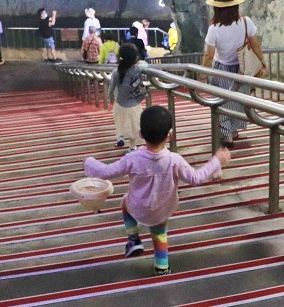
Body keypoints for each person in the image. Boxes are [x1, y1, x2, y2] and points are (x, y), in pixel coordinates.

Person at [84, 105, 230, 276]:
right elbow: (196, 178)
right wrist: (217, 160)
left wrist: (89, 162)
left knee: (124, 202)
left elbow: (105, 172)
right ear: (170, 135)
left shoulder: (132, 158)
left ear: (140, 134)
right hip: (162, 209)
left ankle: (133, 239)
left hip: (137, 208)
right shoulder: (175, 160)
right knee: (160, 233)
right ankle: (162, 267)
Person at [201, 0, 266, 149]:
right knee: (238, 101)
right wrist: (262, 62)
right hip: (242, 68)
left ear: (216, 8)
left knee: (221, 102)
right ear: (235, 5)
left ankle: (227, 135)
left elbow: (209, 55)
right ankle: (235, 129)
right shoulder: (245, 22)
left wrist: (202, 73)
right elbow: (255, 45)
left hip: (221, 69)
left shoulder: (214, 29)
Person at [107, 43, 147, 150]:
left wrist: (110, 98)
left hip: (119, 104)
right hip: (134, 105)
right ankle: (132, 148)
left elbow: (111, 88)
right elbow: (145, 65)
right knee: (134, 127)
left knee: (120, 122)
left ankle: (120, 138)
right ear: (135, 58)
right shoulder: (137, 69)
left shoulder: (116, 71)